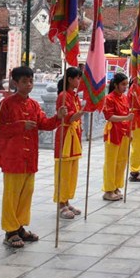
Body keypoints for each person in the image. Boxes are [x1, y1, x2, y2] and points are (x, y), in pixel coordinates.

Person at [0, 66, 71, 248]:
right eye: (24, 82)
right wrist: (20, 125)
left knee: (26, 193)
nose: (29, 85)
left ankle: (20, 226)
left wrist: (58, 117)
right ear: (15, 83)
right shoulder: (7, 104)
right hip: (13, 157)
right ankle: (10, 230)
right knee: (12, 195)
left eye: (31, 82)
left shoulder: (34, 104)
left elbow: (44, 123)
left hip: (30, 157)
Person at [54, 67, 84, 219]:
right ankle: (61, 203)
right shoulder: (63, 96)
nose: (79, 81)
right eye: (77, 78)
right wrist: (84, 110)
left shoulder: (74, 96)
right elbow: (69, 118)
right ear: (70, 79)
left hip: (74, 136)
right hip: (65, 136)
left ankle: (66, 200)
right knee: (63, 172)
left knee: (72, 172)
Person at [101, 73, 134, 201]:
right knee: (111, 162)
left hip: (124, 132)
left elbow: (128, 115)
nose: (125, 87)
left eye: (126, 84)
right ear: (116, 85)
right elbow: (109, 116)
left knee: (121, 161)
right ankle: (108, 189)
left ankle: (116, 186)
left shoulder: (124, 98)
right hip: (113, 132)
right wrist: (126, 118)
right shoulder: (109, 98)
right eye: (123, 84)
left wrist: (130, 130)